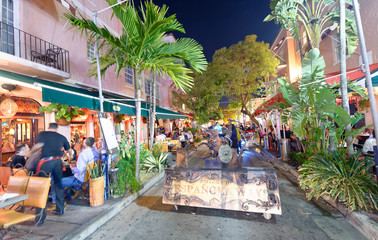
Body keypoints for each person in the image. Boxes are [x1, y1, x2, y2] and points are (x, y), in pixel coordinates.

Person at [33, 122, 70, 224]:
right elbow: (68, 149)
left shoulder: (43, 134)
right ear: (56, 128)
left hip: (46, 161)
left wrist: (29, 153)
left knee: (41, 187)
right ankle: (60, 210)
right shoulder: (61, 137)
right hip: (58, 161)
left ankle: (40, 217)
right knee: (58, 185)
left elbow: (38, 146)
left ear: (48, 127)